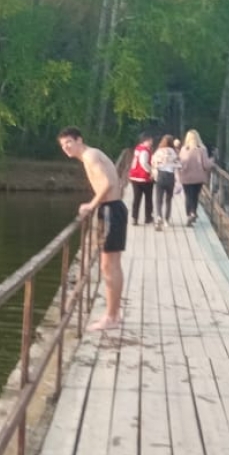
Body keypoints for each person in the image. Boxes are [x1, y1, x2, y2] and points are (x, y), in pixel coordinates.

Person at [58, 126, 126, 331]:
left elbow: (106, 184)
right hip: (114, 209)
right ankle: (114, 313)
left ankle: (111, 317)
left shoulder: (90, 156)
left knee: (108, 266)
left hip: (110, 211)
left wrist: (91, 205)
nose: (66, 147)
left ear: (79, 140)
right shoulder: (92, 155)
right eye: (63, 145)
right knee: (112, 264)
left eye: (69, 142)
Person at [177, 128, 213, 226]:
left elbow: (180, 163)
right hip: (198, 177)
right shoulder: (202, 149)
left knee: (188, 195)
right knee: (195, 196)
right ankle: (193, 212)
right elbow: (206, 164)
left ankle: (189, 214)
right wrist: (212, 161)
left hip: (186, 176)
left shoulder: (184, 149)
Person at [151, 134, 178, 229]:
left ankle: (158, 216)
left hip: (160, 175)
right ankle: (167, 220)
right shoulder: (173, 152)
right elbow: (178, 165)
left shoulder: (158, 151)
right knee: (168, 199)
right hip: (170, 176)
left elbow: (153, 162)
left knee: (159, 199)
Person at [127, 132, 154, 226]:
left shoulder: (138, 149)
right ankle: (148, 217)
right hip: (143, 177)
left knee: (136, 198)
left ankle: (134, 217)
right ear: (146, 140)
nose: (151, 142)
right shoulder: (145, 151)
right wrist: (151, 171)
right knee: (148, 198)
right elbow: (144, 163)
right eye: (150, 140)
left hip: (134, 176)